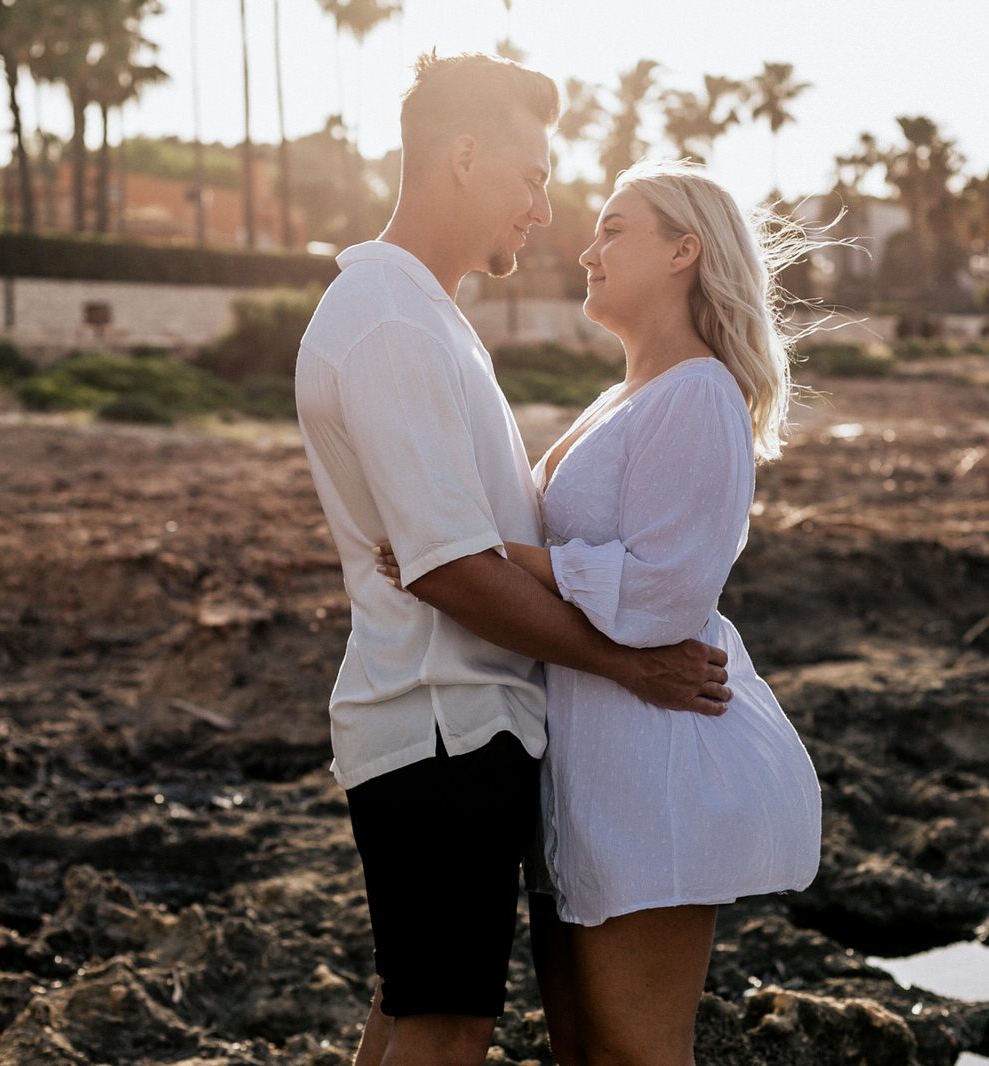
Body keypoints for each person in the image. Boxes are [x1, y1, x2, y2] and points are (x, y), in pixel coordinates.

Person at [294, 55, 732, 1066]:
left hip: (452, 720)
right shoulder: (395, 322)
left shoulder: (425, 318)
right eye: (532, 175)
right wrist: (629, 663)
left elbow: (467, 547)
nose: (544, 208)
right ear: (462, 155)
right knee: (445, 1032)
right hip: (446, 721)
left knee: (413, 1012)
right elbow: (450, 570)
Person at [381, 159, 822, 1066]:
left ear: (684, 252)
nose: (586, 249)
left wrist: (486, 556)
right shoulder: (628, 397)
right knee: (585, 1048)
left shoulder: (699, 393)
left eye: (614, 229)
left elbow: (666, 594)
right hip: (586, 757)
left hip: (653, 759)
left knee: (635, 1051)